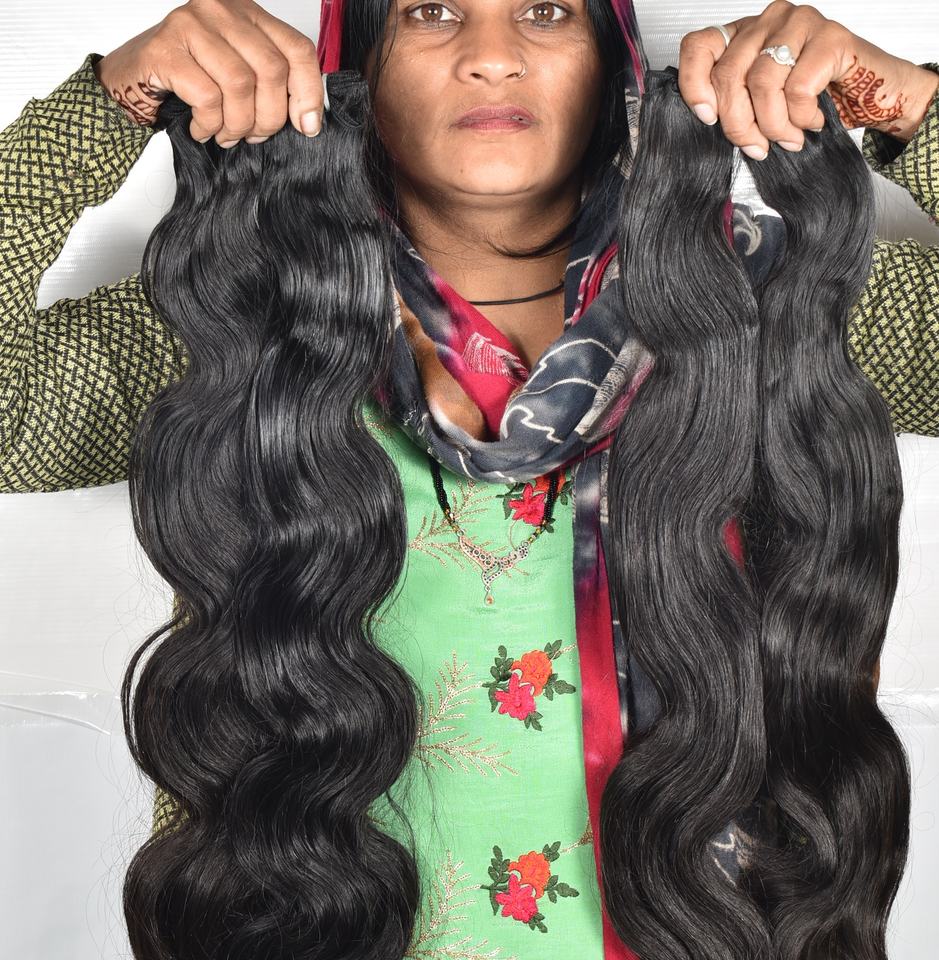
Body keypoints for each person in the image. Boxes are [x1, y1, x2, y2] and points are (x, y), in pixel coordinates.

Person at [1, 1, 936, 957]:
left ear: (614, 61)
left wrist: (906, 107)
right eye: (433, 13)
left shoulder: (771, 303)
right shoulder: (235, 328)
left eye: (545, 12)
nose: (492, 57)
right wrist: (106, 106)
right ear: (353, 65)